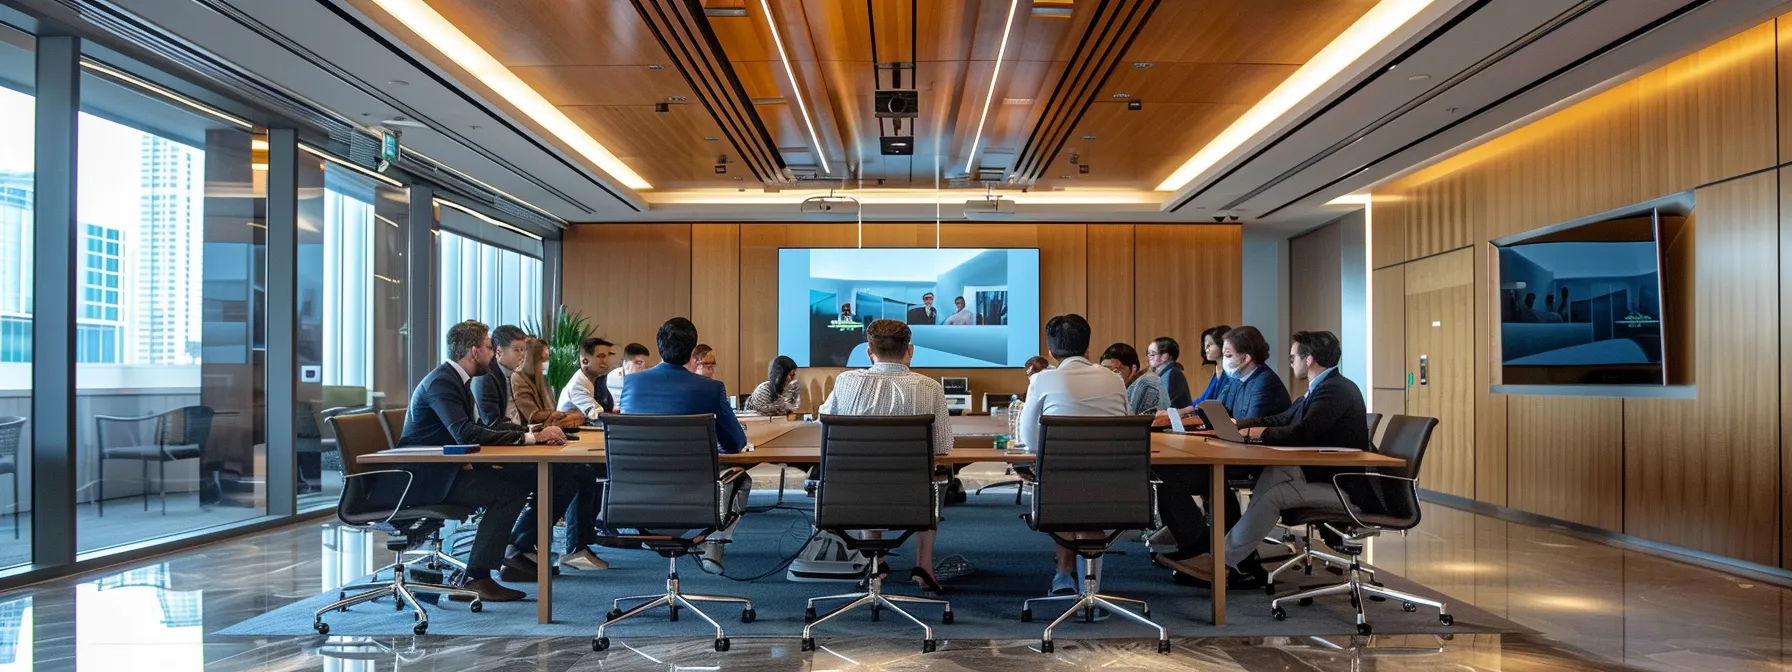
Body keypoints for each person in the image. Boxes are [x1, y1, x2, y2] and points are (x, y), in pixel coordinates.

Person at [1175, 331, 1371, 587]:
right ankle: (1237, 559)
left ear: (1309, 359)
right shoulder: (1322, 387)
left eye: (1293, 357)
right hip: (1322, 474)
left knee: (1273, 496)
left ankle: (1222, 562)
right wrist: (1240, 426)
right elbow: (1283, 419)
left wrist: (1258, 432)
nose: (1290, 362)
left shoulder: (1334, 391)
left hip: (1345, 486)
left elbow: (1301, 433)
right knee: (1274, 473)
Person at [397, 320, 568, 602]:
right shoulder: (442, 382)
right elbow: (464, 432)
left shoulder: (457, 380)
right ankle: (477, 577)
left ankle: (507, 556)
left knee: (526, 479)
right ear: (475, 351)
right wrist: (529, 440)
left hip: (446, 471)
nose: (493, 353)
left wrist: (529, 433)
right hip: (426, 479)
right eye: (490, 347)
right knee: (508, 489)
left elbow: (482, 429)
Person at [818, 319, 954, 593]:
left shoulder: (846, 383)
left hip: (855, 496)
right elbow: (942, 446)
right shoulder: (930, 387)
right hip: (913, 497)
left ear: (869, 352)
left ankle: (875, 561)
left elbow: (825, 422)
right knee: (934, 480)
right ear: (910, 350)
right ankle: (924, 567)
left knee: (864, 471)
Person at [1153, 325, 1292, 582]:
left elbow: (1250, 423)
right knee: (1179, 476)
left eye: (1228, 354)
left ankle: (1207, 553)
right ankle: (1207, 552)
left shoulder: (1263, 382)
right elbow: (1224, 415)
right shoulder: (1241, 379)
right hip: (1235, 451)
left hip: (1258, 457)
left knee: (1175, 479)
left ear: (1246, 357)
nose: (1223, 360)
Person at [618, 318, 751, 572]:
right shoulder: (711, 389)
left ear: (658, 349)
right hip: (694, 499)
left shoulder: (632, 384)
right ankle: (714, 546)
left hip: (638, 497)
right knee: (742, 478)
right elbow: (735, 442)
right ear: (693, 354)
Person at [1017, 314, 1128, 596]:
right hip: (1114, 486)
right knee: (1087, 503)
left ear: (1051, 352)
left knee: (1063, 488)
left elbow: (1028, 439)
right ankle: (1092, 590)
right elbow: (1126, 428)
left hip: (1060, 487)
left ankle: (1064, 575)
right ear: (1088, 349)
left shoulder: (1042, 380)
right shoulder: (1115, 380)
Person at [511, 337, 583, 428]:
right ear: (532, 359)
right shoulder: (518, 377)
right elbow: (532, 415)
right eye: (543, 359)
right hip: (530, 431)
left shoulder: (541, 378)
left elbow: (552, 409)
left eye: (547, 359)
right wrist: (560, 415)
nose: (546, 363)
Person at [472, 324, 529, 426]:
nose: (522, 356)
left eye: (524, 350)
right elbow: (492, 423)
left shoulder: (509, 373)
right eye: (517, 350)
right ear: (499, 351)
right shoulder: (486, 377)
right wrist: (527, 434)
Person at [1098, 342, 1164, 415]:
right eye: (1107, 369)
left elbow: (1132, 421)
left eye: (1118, 369)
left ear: (1133, 368)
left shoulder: (1145, 383)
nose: (1112, 374)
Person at [558, 337, 615, 421]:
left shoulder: (598, 381)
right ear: (585, 361)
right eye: (601, 356)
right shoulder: (577, 386)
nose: (606, 361)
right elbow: (594, 414)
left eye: (607, 356)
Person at [1146, 337, 1194, 411]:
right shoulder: (1168, 372)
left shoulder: (1172, 373)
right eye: (1148, 353)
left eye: (1152, 354)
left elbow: (1164, 404)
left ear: (1165, 356)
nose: (1149, 357)